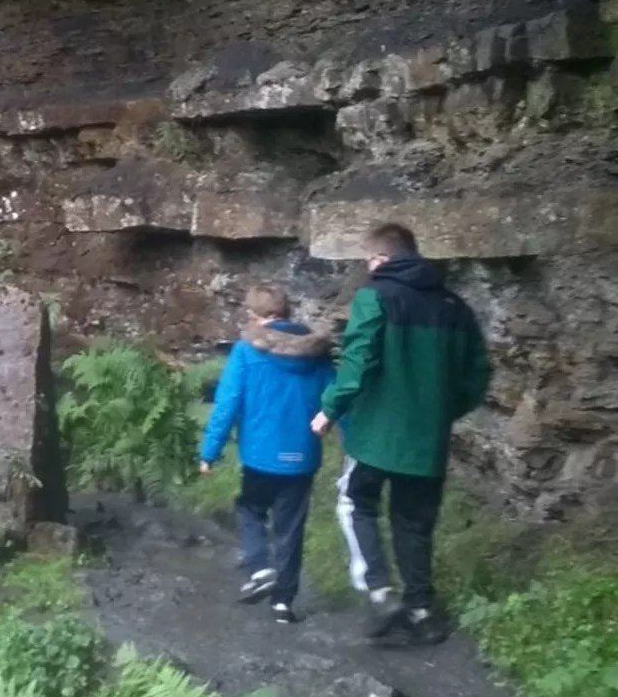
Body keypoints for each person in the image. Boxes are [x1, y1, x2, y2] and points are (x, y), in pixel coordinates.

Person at [311, 223, 491, 645]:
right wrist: (441, 413)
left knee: (354, 503)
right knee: (415, 523)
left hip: (376, 435)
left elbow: (357, 363)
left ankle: (379, 591)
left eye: (368, 261)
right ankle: (423, 611)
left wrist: (328, 410)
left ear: (381, 260)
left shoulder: (375, 297)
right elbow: (478, 375)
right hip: (427, 442)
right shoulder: (455, 306)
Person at [199, 283, 335, 624]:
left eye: (250, 315)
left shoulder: (247, 351)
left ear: (265, 317)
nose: (249, 321)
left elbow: (227, 403)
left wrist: (209, 452)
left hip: (260, 456)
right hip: (302, 458)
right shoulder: (316, 352)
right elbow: (337, 399)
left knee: (250, 508)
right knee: (290, 528)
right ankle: (283, 604)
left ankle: (260, 568)